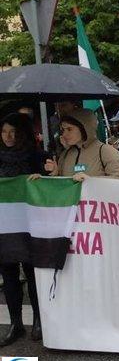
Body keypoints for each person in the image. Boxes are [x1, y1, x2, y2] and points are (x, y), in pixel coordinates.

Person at [0, 113, 42, 345]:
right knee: (8, 274)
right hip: (4, 223)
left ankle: (38, 319)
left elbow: (48, 181)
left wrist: (42, 176)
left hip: (27, 223)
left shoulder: (35, 156)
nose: (8, 136)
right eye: (5, 131)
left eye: (14, 132)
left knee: (31, 271)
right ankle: (16, 323)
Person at [36, 108, 119, 181]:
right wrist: (52, 176)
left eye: (69, 129)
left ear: (85, 129)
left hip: (95, 203)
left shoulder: (106, 151)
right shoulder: (65, 154)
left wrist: (91, 181)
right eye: (63, 130)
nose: (64, 134)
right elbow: (61, 188)